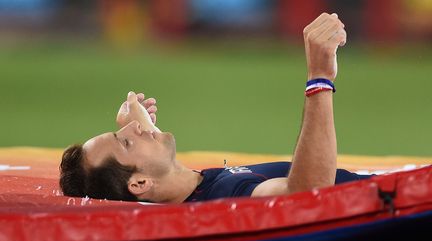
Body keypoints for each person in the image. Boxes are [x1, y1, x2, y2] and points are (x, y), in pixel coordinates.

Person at [60, 13, 369, 203]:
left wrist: (137, 126)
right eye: (125, 140)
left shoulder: (189, 187)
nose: (133, 129)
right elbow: (306, 197)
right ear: (140, 184)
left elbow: (153, 167)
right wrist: (320, 79)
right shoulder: (229, 198)